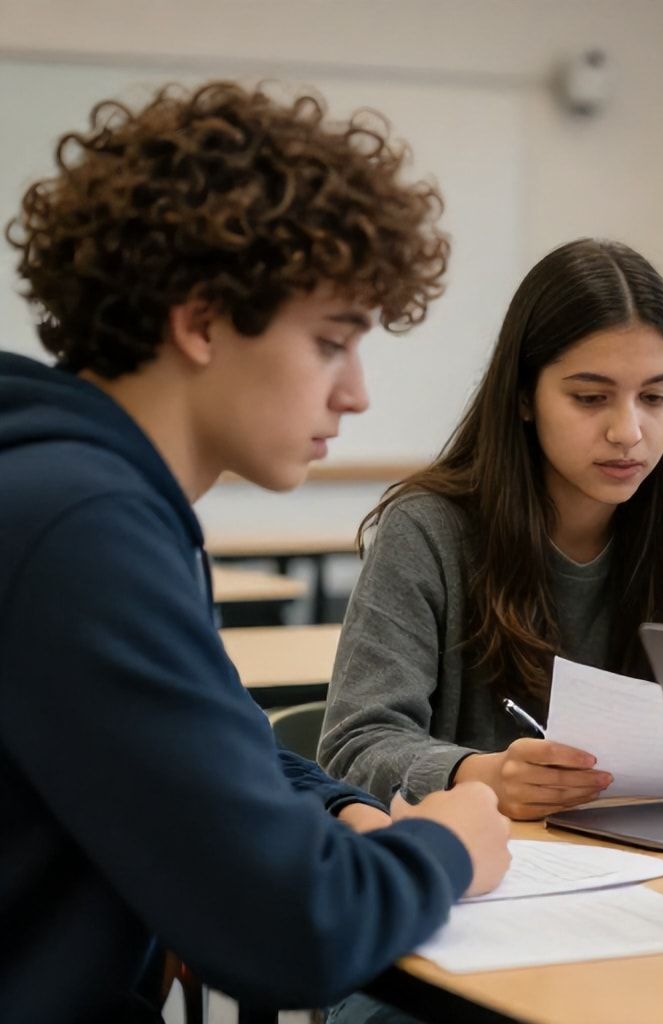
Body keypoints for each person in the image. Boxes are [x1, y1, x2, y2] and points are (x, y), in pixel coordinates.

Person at [0, 81, 511, 1020]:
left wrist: (338, 810)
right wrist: (446, 848)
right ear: (200, 322)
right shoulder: (80, 526)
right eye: (330, 343)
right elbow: (296, 930)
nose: (355, 394)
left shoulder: (83, 491)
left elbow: (224, 740)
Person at [321, 238, 663, 819]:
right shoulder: (429, 529)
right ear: (522, 397)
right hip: (495, 872)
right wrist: (475, 774)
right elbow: (351, 748)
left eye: (656, 396)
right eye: (591, 398)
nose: (628, 431)